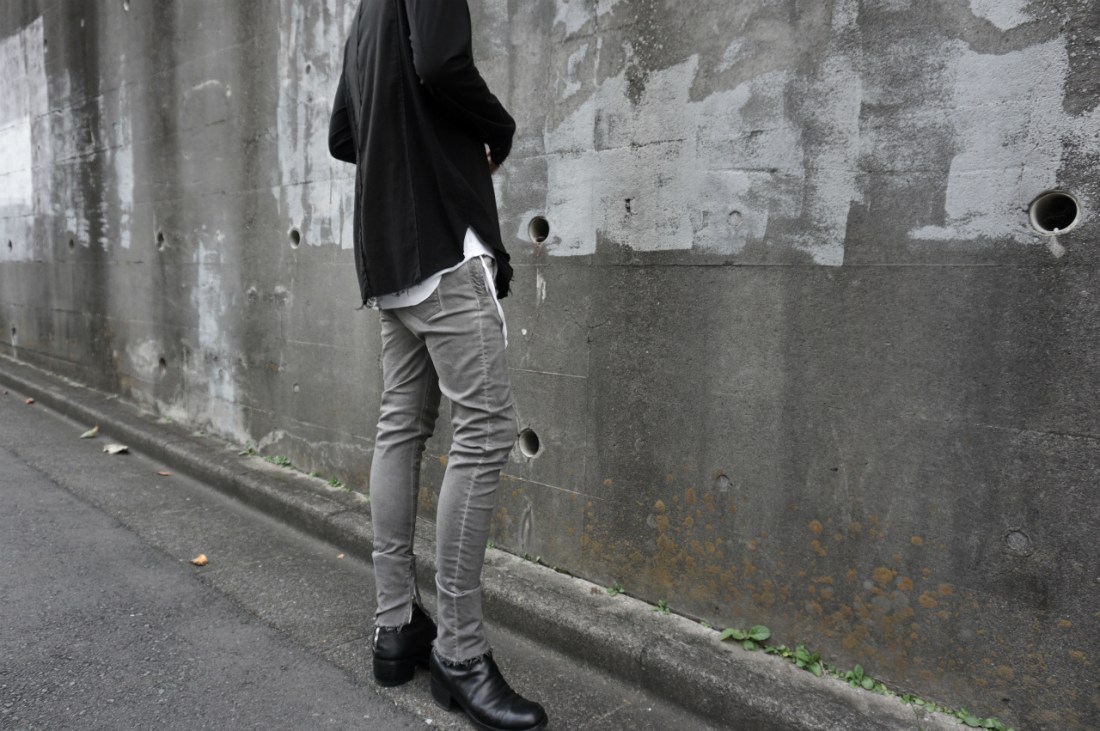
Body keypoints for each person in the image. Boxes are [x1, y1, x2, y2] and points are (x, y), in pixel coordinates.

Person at [328, 2, 547, 730]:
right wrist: (497, 129)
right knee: (484, 432)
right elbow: (441, 63)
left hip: (389, 254)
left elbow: (342, 135)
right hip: (445, 248)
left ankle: (395, 627)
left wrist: (403, 149)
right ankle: (459, 651)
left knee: (401, 428)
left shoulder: (365, 17)